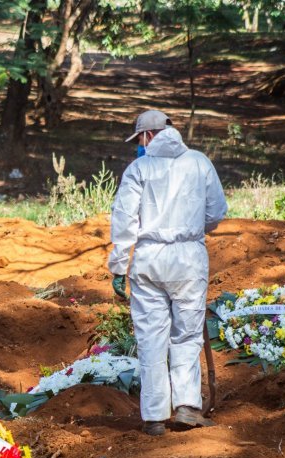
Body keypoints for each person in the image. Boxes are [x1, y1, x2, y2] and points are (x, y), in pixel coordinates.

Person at [108, 110, 228, 436]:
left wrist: (119, 266)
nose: (139, 146)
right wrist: (189, 227)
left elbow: (124, 221)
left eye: (140, 140)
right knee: (186, 336)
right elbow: (217, 211)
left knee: (151, 338)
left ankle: (154, 416)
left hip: (148, 258)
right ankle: (188, 406)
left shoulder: (139, 168)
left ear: (148, 136)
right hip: (189, 257)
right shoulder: (199, 162)